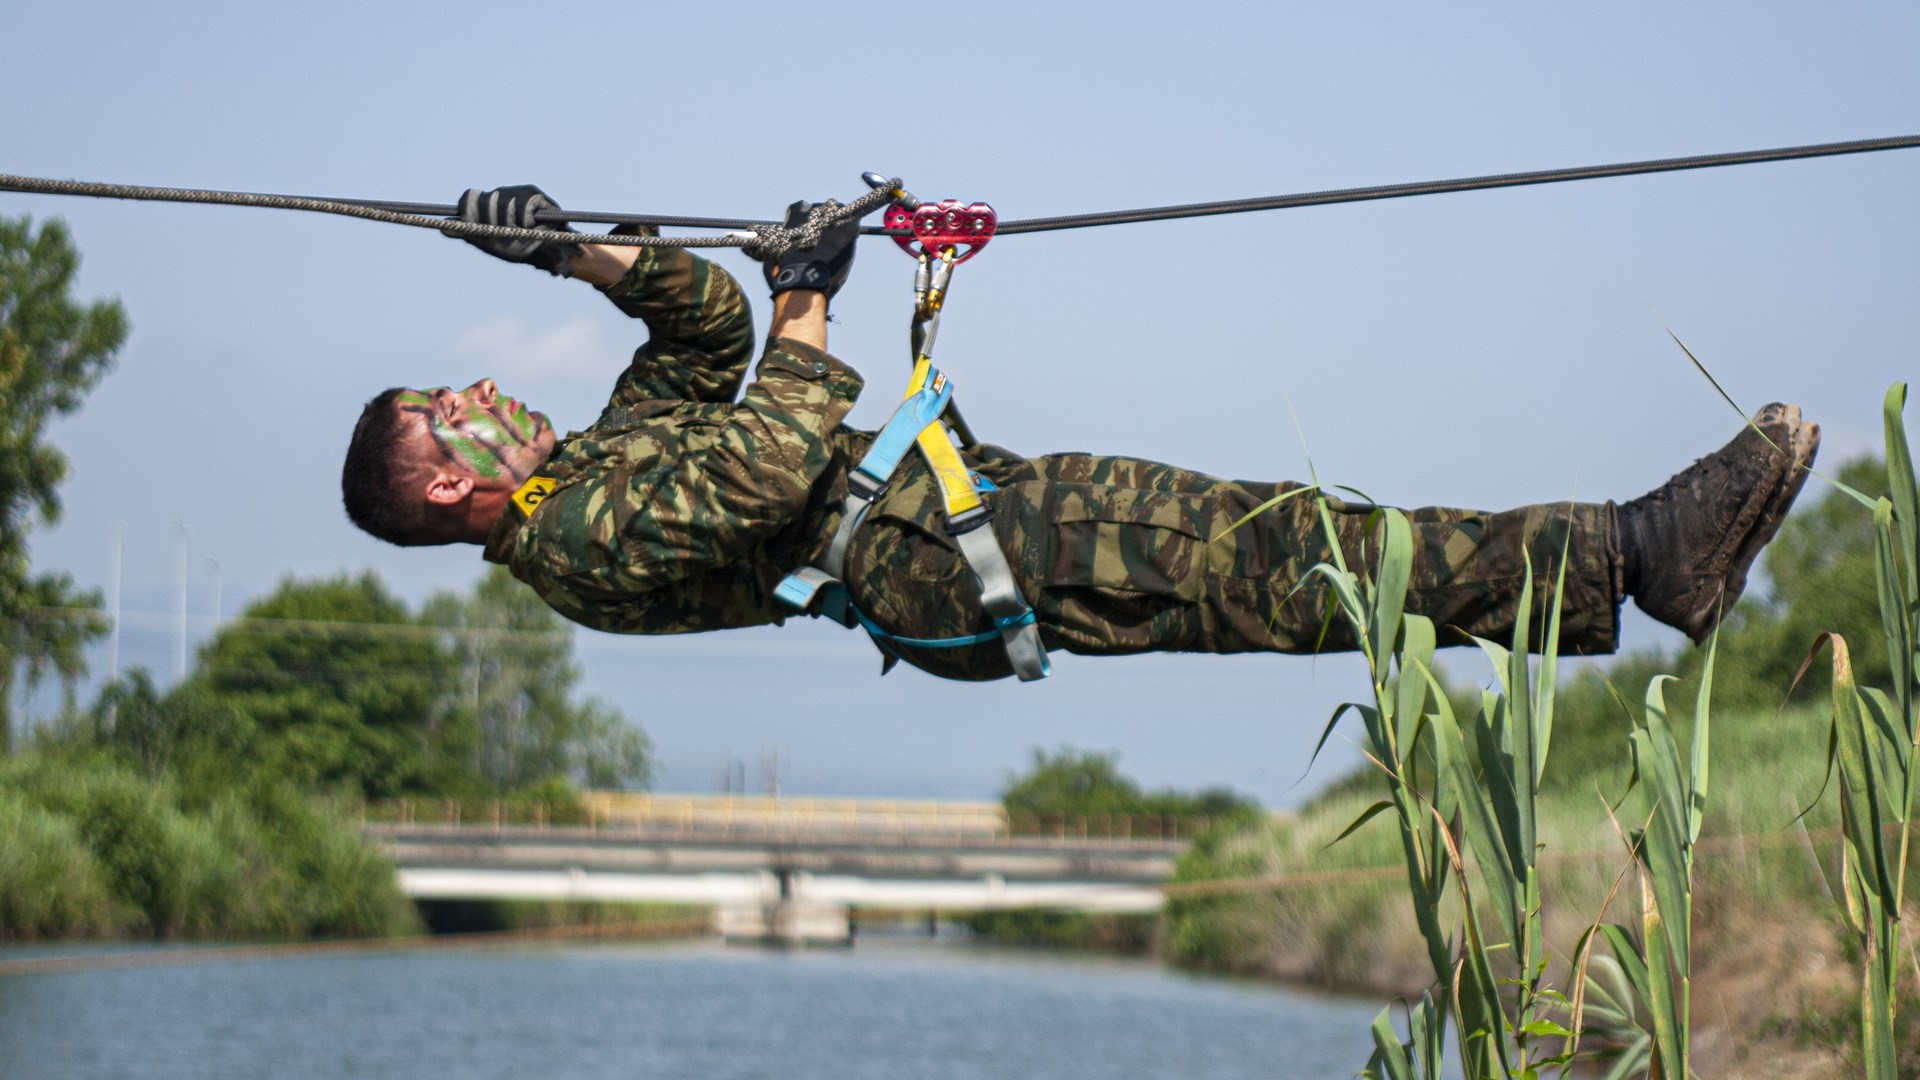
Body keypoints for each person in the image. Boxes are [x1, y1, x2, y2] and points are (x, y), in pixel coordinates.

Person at [340, 186, 1820, 682]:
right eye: (451, 408)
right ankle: (1634, 555)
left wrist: (572, 256)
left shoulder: (587, 465)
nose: (482, 388)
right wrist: (811, 294)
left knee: (1274, 547)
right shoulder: (574, 544)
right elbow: (768, 457)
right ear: (455, 483)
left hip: (949, 516)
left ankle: (1626, 568)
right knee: (1270, 554)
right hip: (937, 557)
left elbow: (703, 337)